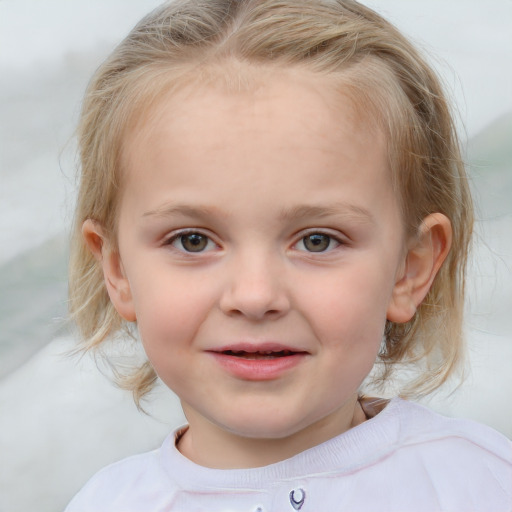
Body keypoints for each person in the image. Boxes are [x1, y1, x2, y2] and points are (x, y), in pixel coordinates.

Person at [65, 0, 512, 510]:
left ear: (408, 270)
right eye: (193, 240)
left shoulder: (483, 484)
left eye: (317, 240)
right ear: (117, 270)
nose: (255, 297)